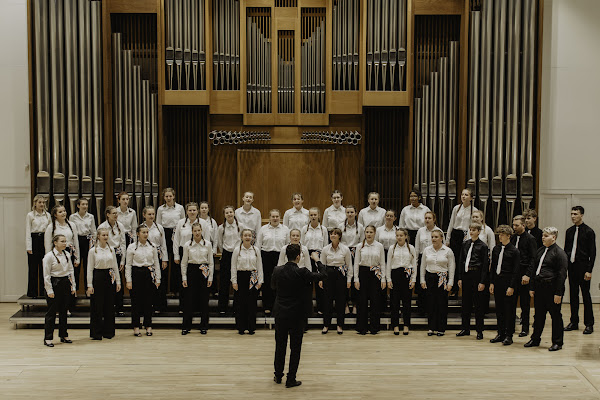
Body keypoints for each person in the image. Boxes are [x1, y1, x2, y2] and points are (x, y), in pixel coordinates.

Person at [272, 245, 327, 388]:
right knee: (295, 348)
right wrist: (317, 260)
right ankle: (291, 379)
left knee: (280, 345)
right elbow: (323, 275)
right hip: (297, 314)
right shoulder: (302, 272)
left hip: (281, 313)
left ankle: (278, 375)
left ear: (286, 256)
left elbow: (273, 287)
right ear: (298, 257)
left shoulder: (277, 270)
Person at [525, 227, 568, 351]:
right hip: (540, 287)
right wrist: (532, 287)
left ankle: (557, 342)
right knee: (538, 315)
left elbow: (562, 275)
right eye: (543, 235)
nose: (543, 238)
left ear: (553, 237)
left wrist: (558, 293)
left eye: (546, 236)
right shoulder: (540, 250)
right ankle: (535, 339)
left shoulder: (559, 253)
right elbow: (534, 269)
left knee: (555, 316)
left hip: (552, 288)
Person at [564, 206, 596, 334]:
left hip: (583, 268)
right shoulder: (569, 231)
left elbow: (592, 253)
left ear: (581, 215)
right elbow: (566, 250)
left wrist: (589, 270)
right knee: (573, 295)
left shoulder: (589, 231)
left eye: (575, 214)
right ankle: (574, 322)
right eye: (572, 214)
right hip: (572, 267)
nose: (573, 216)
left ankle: (589, 324)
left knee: (586, 295)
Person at [125, 225, 161, 337]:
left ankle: (148, 325)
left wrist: (158, 278)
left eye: (147, 232)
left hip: (149, 273)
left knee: (148, 302)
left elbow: (156, 263)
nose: (145, 234)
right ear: (137, 234)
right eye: (143, 232)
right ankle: (136, 326)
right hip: (136, 274)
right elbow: (128, 265)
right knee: (136, 302)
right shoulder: (132, 247)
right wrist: (128, 280)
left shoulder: (152, 246)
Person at [86, 227, 121, 340]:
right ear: (98, 236)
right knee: (97, 305)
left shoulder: (111, 249)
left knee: (109, 305)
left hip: (109, 276)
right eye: (103, 235)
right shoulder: (93, 251)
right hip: (98, 276)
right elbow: (89, 269)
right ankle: (96, 333)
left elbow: (115, 266)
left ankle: (108, 331)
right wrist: (89, 285)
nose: (105, 237)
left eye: (107, 235)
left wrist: (118, 281)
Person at [45, 204, 80, 315]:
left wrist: (77, 257)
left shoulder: (72, 225)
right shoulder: (51, 227)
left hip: (69, 253)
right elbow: (47, 244)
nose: (63, 213)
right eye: (60, 212)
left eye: (64, 211)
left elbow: (76, 242)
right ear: (55, 215)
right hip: (56, 255)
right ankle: (56, 307)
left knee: (69, 280)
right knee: (58, 282)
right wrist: (50, 259)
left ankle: (68, 307)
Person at [42, 234, 77, 347]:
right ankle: (48, 338)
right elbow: (46, 275)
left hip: (65, 283)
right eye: (62, 241)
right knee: (51, 312)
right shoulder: (49, 256)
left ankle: (63, 335)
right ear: (55, 243)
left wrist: (73, 286)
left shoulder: (67, 254)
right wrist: (49, 290)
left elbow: (71, 271)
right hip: (54, 283)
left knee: (64, 311)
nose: (64, 243)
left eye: (65, 241)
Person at [456, 223, 489, 340]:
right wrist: (460, 277)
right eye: (470, 230)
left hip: (477, 276)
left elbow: (485, 265)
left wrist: (482, 281)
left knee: (478, 305)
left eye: (474, 230)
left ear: (479, 231)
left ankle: (479, 330)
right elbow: (461, 261)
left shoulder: (483, 246)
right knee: (465, 304)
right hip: (466, 276)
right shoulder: (465, 244)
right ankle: (465, 328)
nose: (471, 232)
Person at [489, 225, 520, 345]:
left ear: (508, 236)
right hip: (498, 282)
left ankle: (509, 335)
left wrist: (511, 286)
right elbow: (493, 267)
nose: (500, 237)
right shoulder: (496, 249)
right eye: (499, 235)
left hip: (508, 283)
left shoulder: (514, 251)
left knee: (509, 310)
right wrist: (492, 282)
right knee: (499, 310)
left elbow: (516, 271)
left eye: (502, 235)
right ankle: (500, 333)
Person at [421, 228, 455, 336]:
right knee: (430, 303)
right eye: (432, 237)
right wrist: (422, 279)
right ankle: (431, 327)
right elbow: (423, 266)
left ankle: (441, 328)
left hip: (442, 278)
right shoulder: (427, 250)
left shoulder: (448, 251)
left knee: (442, 304)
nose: (434, 239)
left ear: (441, 238)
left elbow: (451, 267)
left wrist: (450, 282)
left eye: (436, 237)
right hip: (430, 277)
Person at [181, 223, 214, 335]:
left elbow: (211, 263)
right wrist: (184, 277)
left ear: (201, 231)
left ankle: (204, 326)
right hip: (191, 270)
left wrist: (210, 277)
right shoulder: (187, 245)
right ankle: (186, 326)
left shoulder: (208, 244)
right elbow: (184, 263)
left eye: (199, 230)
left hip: (204, 270)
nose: (197, 233)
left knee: (204, 300)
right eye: (195, 231)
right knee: (188, 300)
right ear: (192, 232)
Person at [353, 225, 386, 335]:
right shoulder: (360, 246)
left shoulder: (379, 246)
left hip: (375, 274)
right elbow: (356, 264)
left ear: (375, 233)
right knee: (362, 301)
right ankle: (361, 327)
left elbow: (382, 263)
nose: (369, 234)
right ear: (364, 233)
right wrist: (356, 279)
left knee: (375, 301)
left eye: (371, 232)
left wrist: (383, 279)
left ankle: (374, 327)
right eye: (367, 232)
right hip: (363, 273)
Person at [319, 228, 353, 334]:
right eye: (331, 234)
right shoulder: (325, 249)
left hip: (340, 274)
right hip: (328, 275)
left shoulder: (345, 249)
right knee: (327, 301)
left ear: (339, 236)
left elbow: (349, 266)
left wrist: (349, 280)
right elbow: (322, 266)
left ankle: (340, 325)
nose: (332, 236)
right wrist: (321, 279)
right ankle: (326, 325)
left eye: (335, 234)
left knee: (340, 301)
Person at [256, 209, 290, 314]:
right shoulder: (263, 229)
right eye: (273, 216)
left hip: (280, 256)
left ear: (280, 217)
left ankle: (278, 306)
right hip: (266, 256)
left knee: (279, 282)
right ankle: (267, 306)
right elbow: (258, 245)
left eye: (277, 216)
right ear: (269, 218)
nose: (275, 218)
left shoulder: (285, 229)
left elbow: (288, 245)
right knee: (267, 281)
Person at [231, 229, 263, 334]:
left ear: (252, 237)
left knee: (252, 304)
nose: (247, 237)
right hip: (240, 277)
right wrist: (234, 281)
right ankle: (241, 327)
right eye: (245, 235)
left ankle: (251, 327)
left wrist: (260, 281)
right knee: (240, 304)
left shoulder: (256, 250)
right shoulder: (237, 250)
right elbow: (233, 266)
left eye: (249, 235)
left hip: (252, 277)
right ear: (242, 237)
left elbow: (259, 266)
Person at [156, 187, 185, 301]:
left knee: (176, 263)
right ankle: (164, 290)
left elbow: (183, 223)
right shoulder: (160, 209)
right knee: (164, 262)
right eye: (166, 196)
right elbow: (158, 224)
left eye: (170, 196)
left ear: (174, 196)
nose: (168, 198)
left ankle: (175, 290)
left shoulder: (180, 208)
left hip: (176, 233)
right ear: (164, 197)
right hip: (165, 234)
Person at [386, 228, 417, 335]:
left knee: (406, 302)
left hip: (406, 275)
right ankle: (395, 325)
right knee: (394, 302)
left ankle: (406, 325)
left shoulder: (411, 248)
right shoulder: (392, 248)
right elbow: (388, 264)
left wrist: (413, 279)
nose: (399, 237)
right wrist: (388, 279)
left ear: (406, 237)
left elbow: (414, 264)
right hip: (395, 274)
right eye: (397, 235)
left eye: (401, 235)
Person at [97, 206, 127, 316]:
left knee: (118, 280)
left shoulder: (120, 226)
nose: (116, 215)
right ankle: (107, 307)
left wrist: (122, 260)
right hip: (107, 254)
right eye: (113, 213)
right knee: (107, 280)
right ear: (108, 214)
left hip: (117, 254)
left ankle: (119, 307)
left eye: (116, 213)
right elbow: (98, 243)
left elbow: (123, 243)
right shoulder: (102, 227)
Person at [511, 215, 537, 337]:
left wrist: (527, 275)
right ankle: (510, 327)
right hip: (513, 274)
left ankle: (525, 328)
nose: (514, 227)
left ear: (523, 225)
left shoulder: (530, 239)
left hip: (524, 273)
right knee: (511, 302)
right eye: (513, 225)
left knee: (525, 304)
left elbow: (533, 259)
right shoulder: (513, 237)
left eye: (517, 225)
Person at [139, 206, 169, 313]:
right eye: (149, 214)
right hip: (146, 257)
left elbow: (163, 244)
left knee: (159, 281)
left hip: (158, 256)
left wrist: (164, 259)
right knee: (147, 282)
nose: (151, 216)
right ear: (144, 215)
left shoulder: (159, 227)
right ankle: (147, 306)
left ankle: (159, 306)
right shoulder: (140, 227)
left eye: (153, 214)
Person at [301, 207, 328, 314]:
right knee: (307, 282)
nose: (313, 217)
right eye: (311, 215)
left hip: (319, 256)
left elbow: (325, 245)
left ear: (319, 216)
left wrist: (321, 259)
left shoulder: (323, 229)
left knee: (319, 282)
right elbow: (302, 244)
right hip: (307, 256)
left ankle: (321, 308)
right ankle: (307, 308)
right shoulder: (305, 229)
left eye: (315, 215)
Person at [338, 205, 363, 317]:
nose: (350, 214)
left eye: (352, 212)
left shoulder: (360, 227)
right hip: (343, 254)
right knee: (344, 280)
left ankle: (356, 305)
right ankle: (345, 305)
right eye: (348, 212)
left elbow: (362, 242)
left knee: (355, 279)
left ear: (356, 213)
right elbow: (338, 241)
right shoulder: (340, 226)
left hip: (356, 254)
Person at [414, 211, 441, 315]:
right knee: (422, 284)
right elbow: (417, 248)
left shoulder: (438, 231)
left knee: (431, 285)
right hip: (422, 257)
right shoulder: (420, 231)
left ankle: (432, 310)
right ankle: (422, 309)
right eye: (425, 218)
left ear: (434, 219)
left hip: (434, 258)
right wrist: (416, 262)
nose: (427, 220)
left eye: (429, 218)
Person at [69, 198, 97, 297]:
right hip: (77, 241)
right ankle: (75, 290)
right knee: (76, 267)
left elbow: (93, 231)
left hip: (87, 241)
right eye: (83, 204)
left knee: (87, 266)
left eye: (86, 204)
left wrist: (93, 244)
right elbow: (71, 231)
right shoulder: (73, 217)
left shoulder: (91, 216)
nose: (85, 206)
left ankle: (87, 290)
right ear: (78, 206)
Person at [216, 205, 241, 315]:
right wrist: (224, 252)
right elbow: (220, 242)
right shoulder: (221, 228)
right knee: (224, 282)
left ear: (234, 213)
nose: (229, 214)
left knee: (237, 281)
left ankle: (237, 307)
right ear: (224, 215)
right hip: (226, 255)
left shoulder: (240, 226)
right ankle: (222, 307)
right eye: (227, 213)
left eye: (231, 212)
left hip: (238, 255)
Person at [26, 195, 51, 298]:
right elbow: (28, 231)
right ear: (35, 203)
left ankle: (43, 291)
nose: (42, 204)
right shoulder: (30, 215)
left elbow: (50, 230)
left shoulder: (48, 215)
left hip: (44, 240)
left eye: (43, 202)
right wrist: (29, 247)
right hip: (34, 240)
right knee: (33, 268)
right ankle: (33, 292)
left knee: (44, 267)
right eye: (39, 202)